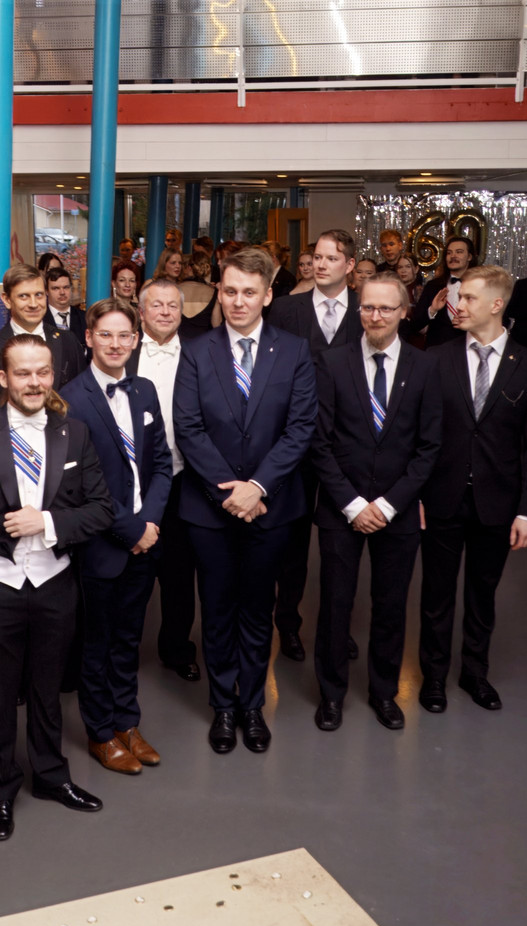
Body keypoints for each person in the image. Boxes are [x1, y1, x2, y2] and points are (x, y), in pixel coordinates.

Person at [0, 335, 114, 841]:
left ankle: (51, 777)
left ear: (53, 375)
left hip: (55, 581)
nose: (34, 382)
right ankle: (0, 789)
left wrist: (48, 522)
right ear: (3, 378)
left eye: (42, 372)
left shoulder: (75, 433)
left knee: (48, 688)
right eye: (23, 373)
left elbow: (101, 509)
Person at [173, 247, 317, 754]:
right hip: (208, 509)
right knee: (216, 610)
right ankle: (222, 706)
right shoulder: (196, 350)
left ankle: (252, 704)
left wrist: (258, 487)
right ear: (219, 290)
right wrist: (232, 490)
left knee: (258, 609)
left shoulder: (294, 351)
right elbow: (188, 427)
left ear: (268, 295)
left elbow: (301, 427)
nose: (238, 301)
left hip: (272, 507)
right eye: (230, 290)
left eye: (249, 292)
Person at [310, 273, 442, 731]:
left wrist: (387, 505)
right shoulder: (332, 363)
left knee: (390, 606)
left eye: (386, 308)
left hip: (397, 511)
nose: (376, 316)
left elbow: (429, 447)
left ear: (405, 311)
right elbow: (319, 443)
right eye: (368, 307)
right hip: (340, 507)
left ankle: (385, 692)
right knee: (334, 606)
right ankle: (331, 695)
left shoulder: (425, 368)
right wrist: (352, 504)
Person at [419, 266, 527, 713]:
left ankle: (475, 674)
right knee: (436, 595)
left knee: (482, 595)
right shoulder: (437, 358)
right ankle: (432, 677)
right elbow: (420, 435)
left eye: (469, 298)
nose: (459, 306)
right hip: (441, 497)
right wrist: (415, 495)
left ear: (497, 304)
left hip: (498, 502)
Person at [64, 298, 174, 774]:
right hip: (101, 544)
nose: (115, 344)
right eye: (105, 335)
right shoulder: (70, 398)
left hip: (145, 539)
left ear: (136, 339)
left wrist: (150, 523)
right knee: (97, 642)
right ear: (89, 338)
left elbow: (162, 463)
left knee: (130, 639)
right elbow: (77, 485)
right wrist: (130, 528)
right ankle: (100, 732)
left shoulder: (144, 390)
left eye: (124, 335)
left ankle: (128, 722)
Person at [267, 229, 364, 663]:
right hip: (295, 445)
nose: (321, 264)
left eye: (331, 258)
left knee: (341, 547)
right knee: (291, 544)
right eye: (317, 257)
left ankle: (336, 628)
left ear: (350, 265)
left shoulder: (367, 310)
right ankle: (287, 624)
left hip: (348, 447)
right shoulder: (285, 309)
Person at [128, 278, 201, 681]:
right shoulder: (123, 351)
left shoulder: (200, 352)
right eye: (156, 305)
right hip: (135, 483)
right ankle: (125, 652)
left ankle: (177, 649)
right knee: (132, 571)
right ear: (141, 312)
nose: (165, 312)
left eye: (173, 305)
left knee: (179, 573)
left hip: (184, 478)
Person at [0, 263, 85, 413]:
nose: (33, 304)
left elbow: (81, 399)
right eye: (24, 296)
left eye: (39, 295)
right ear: (7, 300)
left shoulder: (68, 341)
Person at [410, 235, 476, 348]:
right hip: (437, 351)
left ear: (469, 256)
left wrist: (471, 323)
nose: (453, 256)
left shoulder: (480, 286)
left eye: (459, 252)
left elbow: (495, 322)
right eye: (449, 253)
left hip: (469, 349)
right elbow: (415, 325)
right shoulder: (433, 286)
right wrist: (432, 310)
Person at [44, 266, 86, 349]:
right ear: (46, 291)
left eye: (66, 287)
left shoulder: (84, 317)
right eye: (56, 288)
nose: (62, 292)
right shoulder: (39, 318)